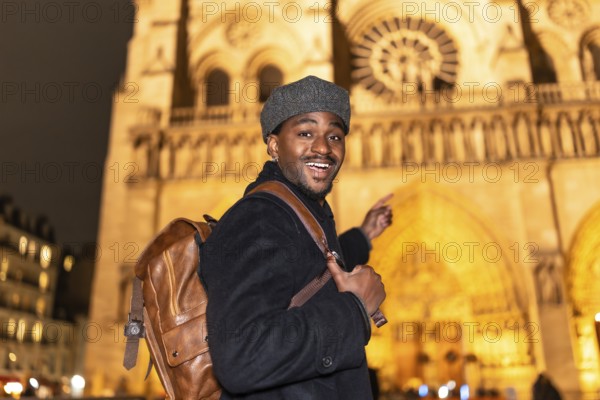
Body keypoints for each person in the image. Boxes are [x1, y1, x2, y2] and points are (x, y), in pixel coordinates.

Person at [200, 75, 392, 399]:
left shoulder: (300, 214)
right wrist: (355, 309)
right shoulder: (260, 218)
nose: (323, 148)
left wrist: (362, 236)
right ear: (274, 145)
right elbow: (240, 357)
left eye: (335, 135)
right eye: (305, 133)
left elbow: (307, 268)